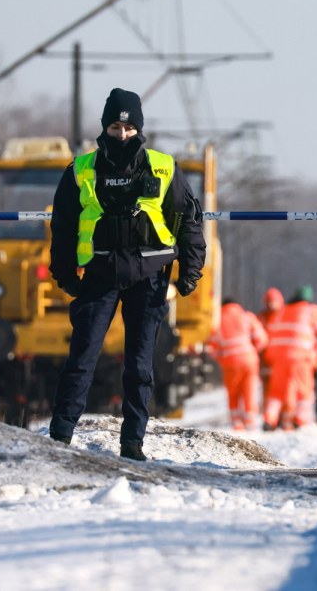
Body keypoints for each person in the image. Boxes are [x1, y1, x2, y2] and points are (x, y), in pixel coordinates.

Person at [47, 87, 206, 461]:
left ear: (139, 129)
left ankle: (132, 443)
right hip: (100, 273)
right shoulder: (81, 170)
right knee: (82, 357)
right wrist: (65, 274)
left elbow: (189, 222)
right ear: (105, 127)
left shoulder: (163, 168)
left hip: (148, 276)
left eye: (129, 128)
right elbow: (64, 226)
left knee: (139, 364)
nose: (122, 135)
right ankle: (59, 438)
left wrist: (190, 272)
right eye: (116, 128)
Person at [262, 285, 317, 430]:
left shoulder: (281, 311)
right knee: (304, 389)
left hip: (277, 357)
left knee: (277, 390)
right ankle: (301, 419)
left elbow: (269, 331)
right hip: (301, 356)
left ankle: (270, 419)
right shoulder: (310, 310)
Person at [207, 298, 269, 431]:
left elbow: (212, 348)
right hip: (249, 359)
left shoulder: (217, 320)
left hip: (230, 361)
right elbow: (262, 339)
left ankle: (236, 423)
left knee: (233, 392)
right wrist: (253, 350)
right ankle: (250, 421)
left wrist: (222, 359)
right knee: (250, 389)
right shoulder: (247, 316)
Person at [256, 287, 285, 406]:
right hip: (266, 358)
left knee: (281, 387)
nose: (271, 305)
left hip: (279, 358)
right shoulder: (262, 317)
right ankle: (269, 411)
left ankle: (277, 412)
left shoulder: (284, 315)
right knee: (268, 386)